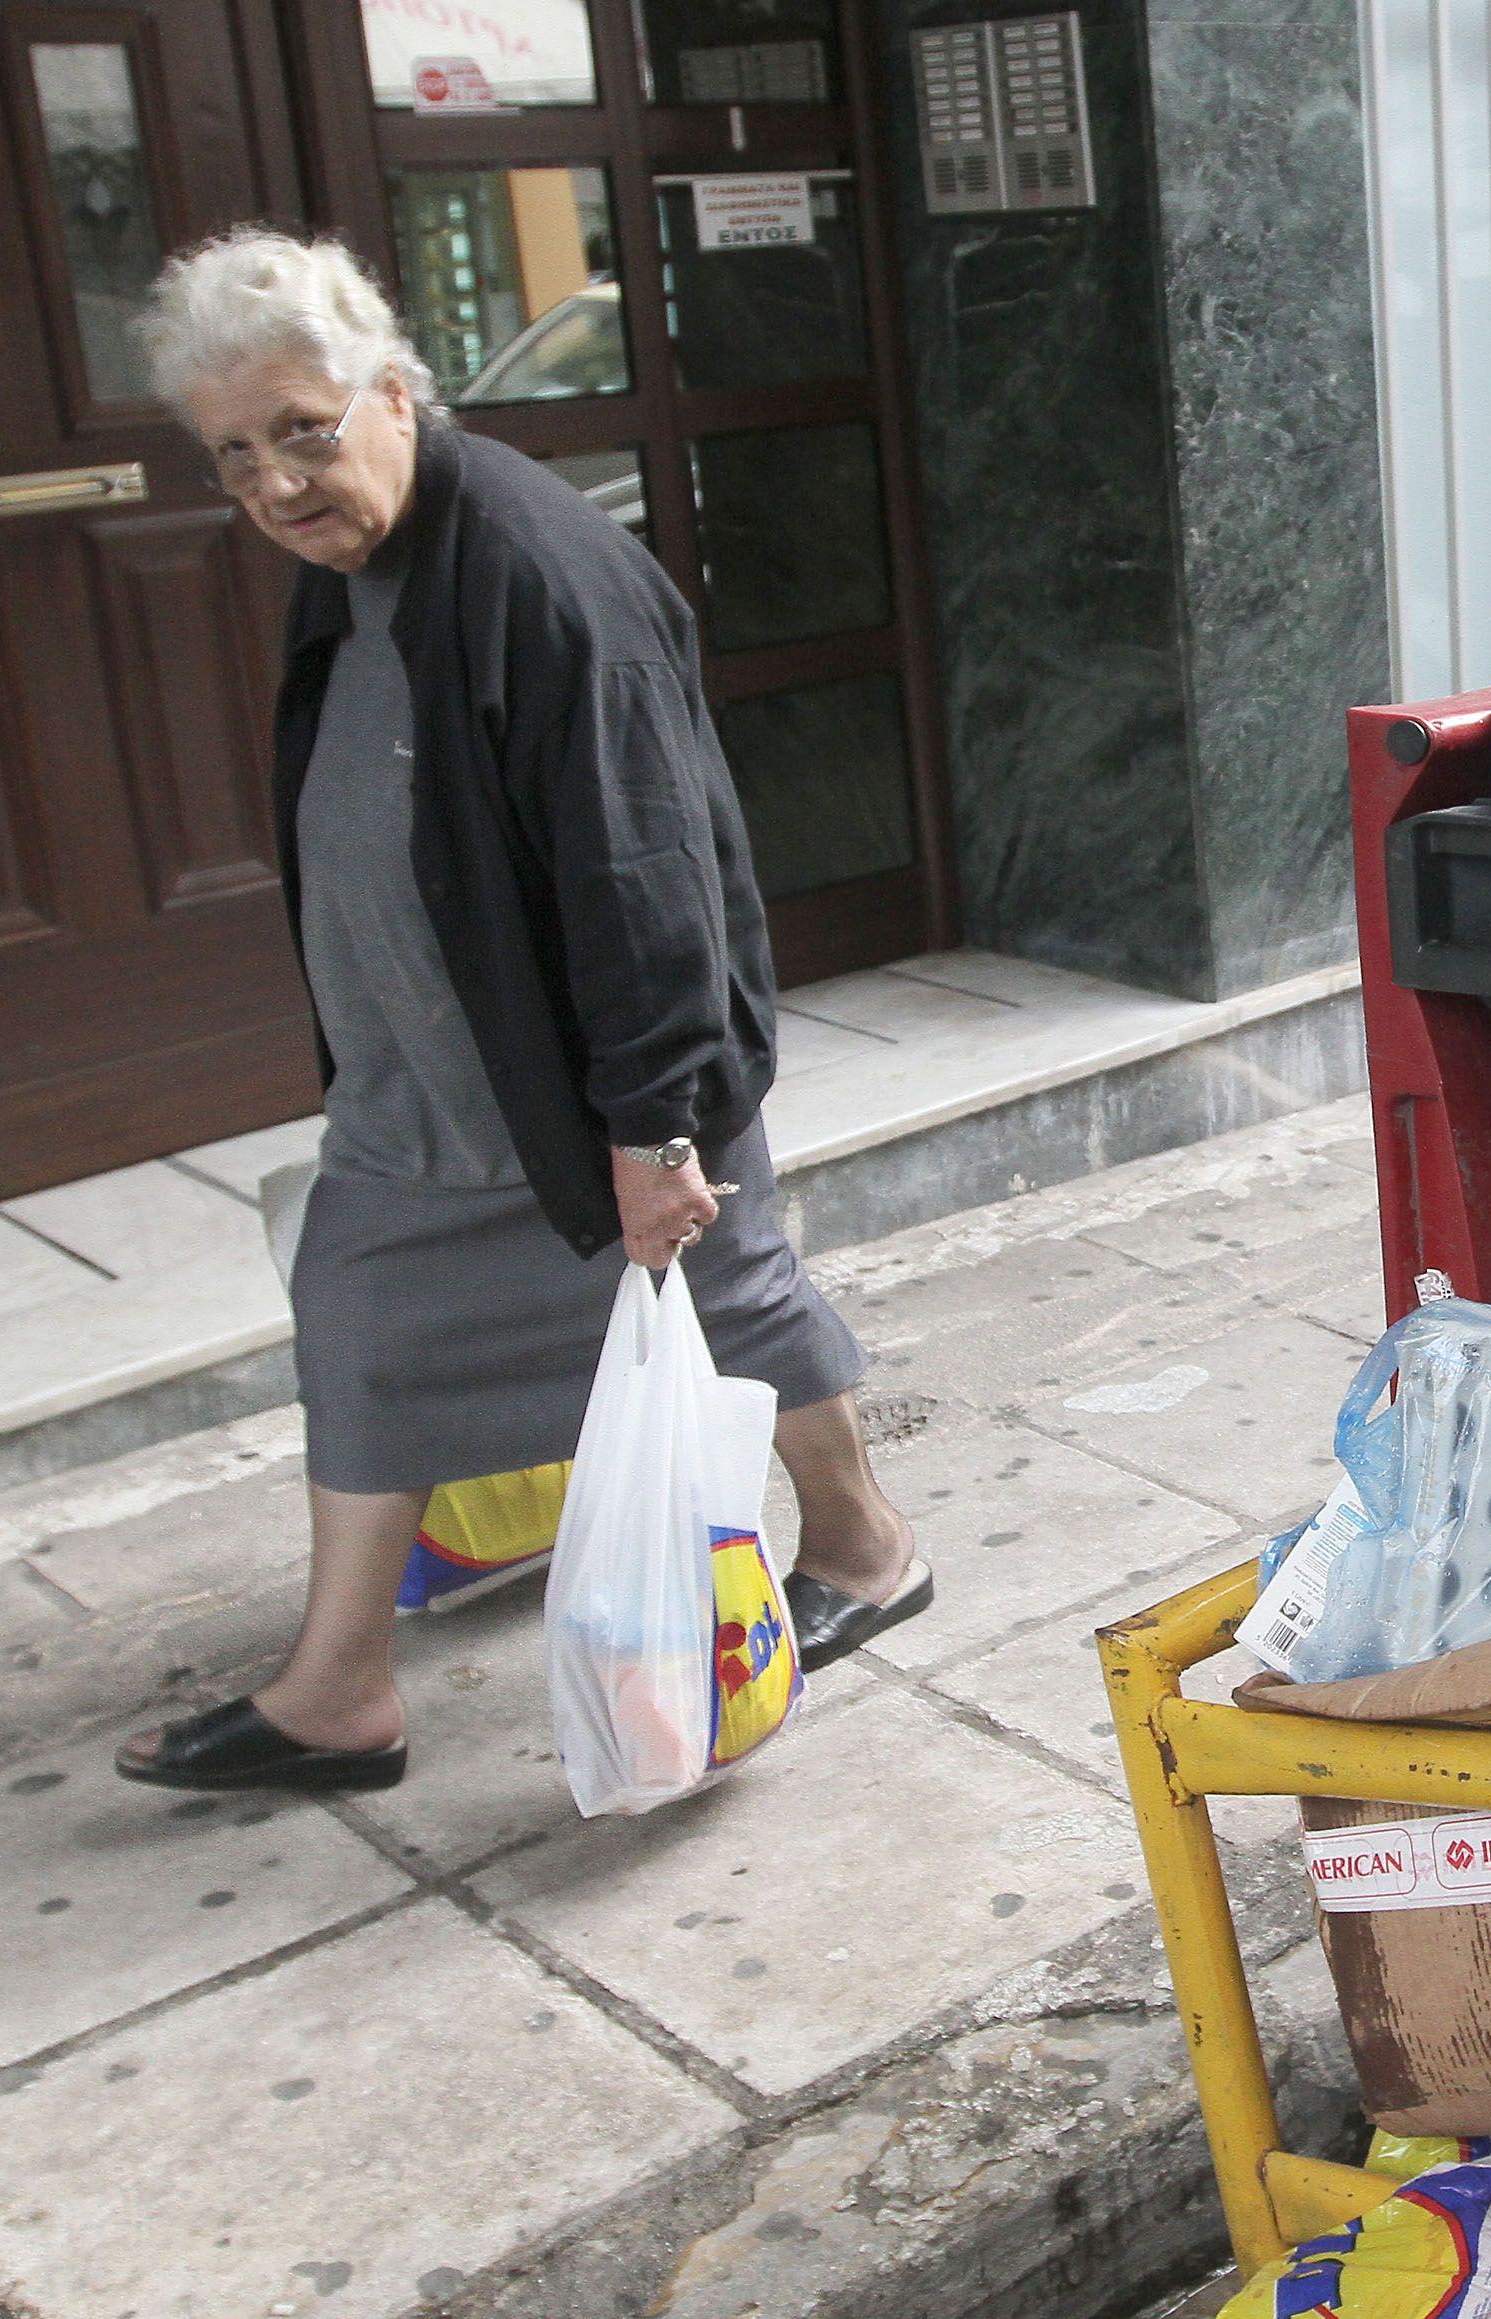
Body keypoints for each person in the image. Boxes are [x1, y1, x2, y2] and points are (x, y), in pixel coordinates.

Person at [113, 229, 932, 1796]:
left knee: (732, 1300)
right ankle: (341, 1691)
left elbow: (644, 876)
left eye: (304, 428)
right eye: (234, 457)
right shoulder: (358, 566)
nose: (279, 482)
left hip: (586, 1091)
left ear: (395, 391)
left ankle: (867, 1543)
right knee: (362, 1323)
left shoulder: (538, 577)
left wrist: (654, 1120)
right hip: (429, 1093)